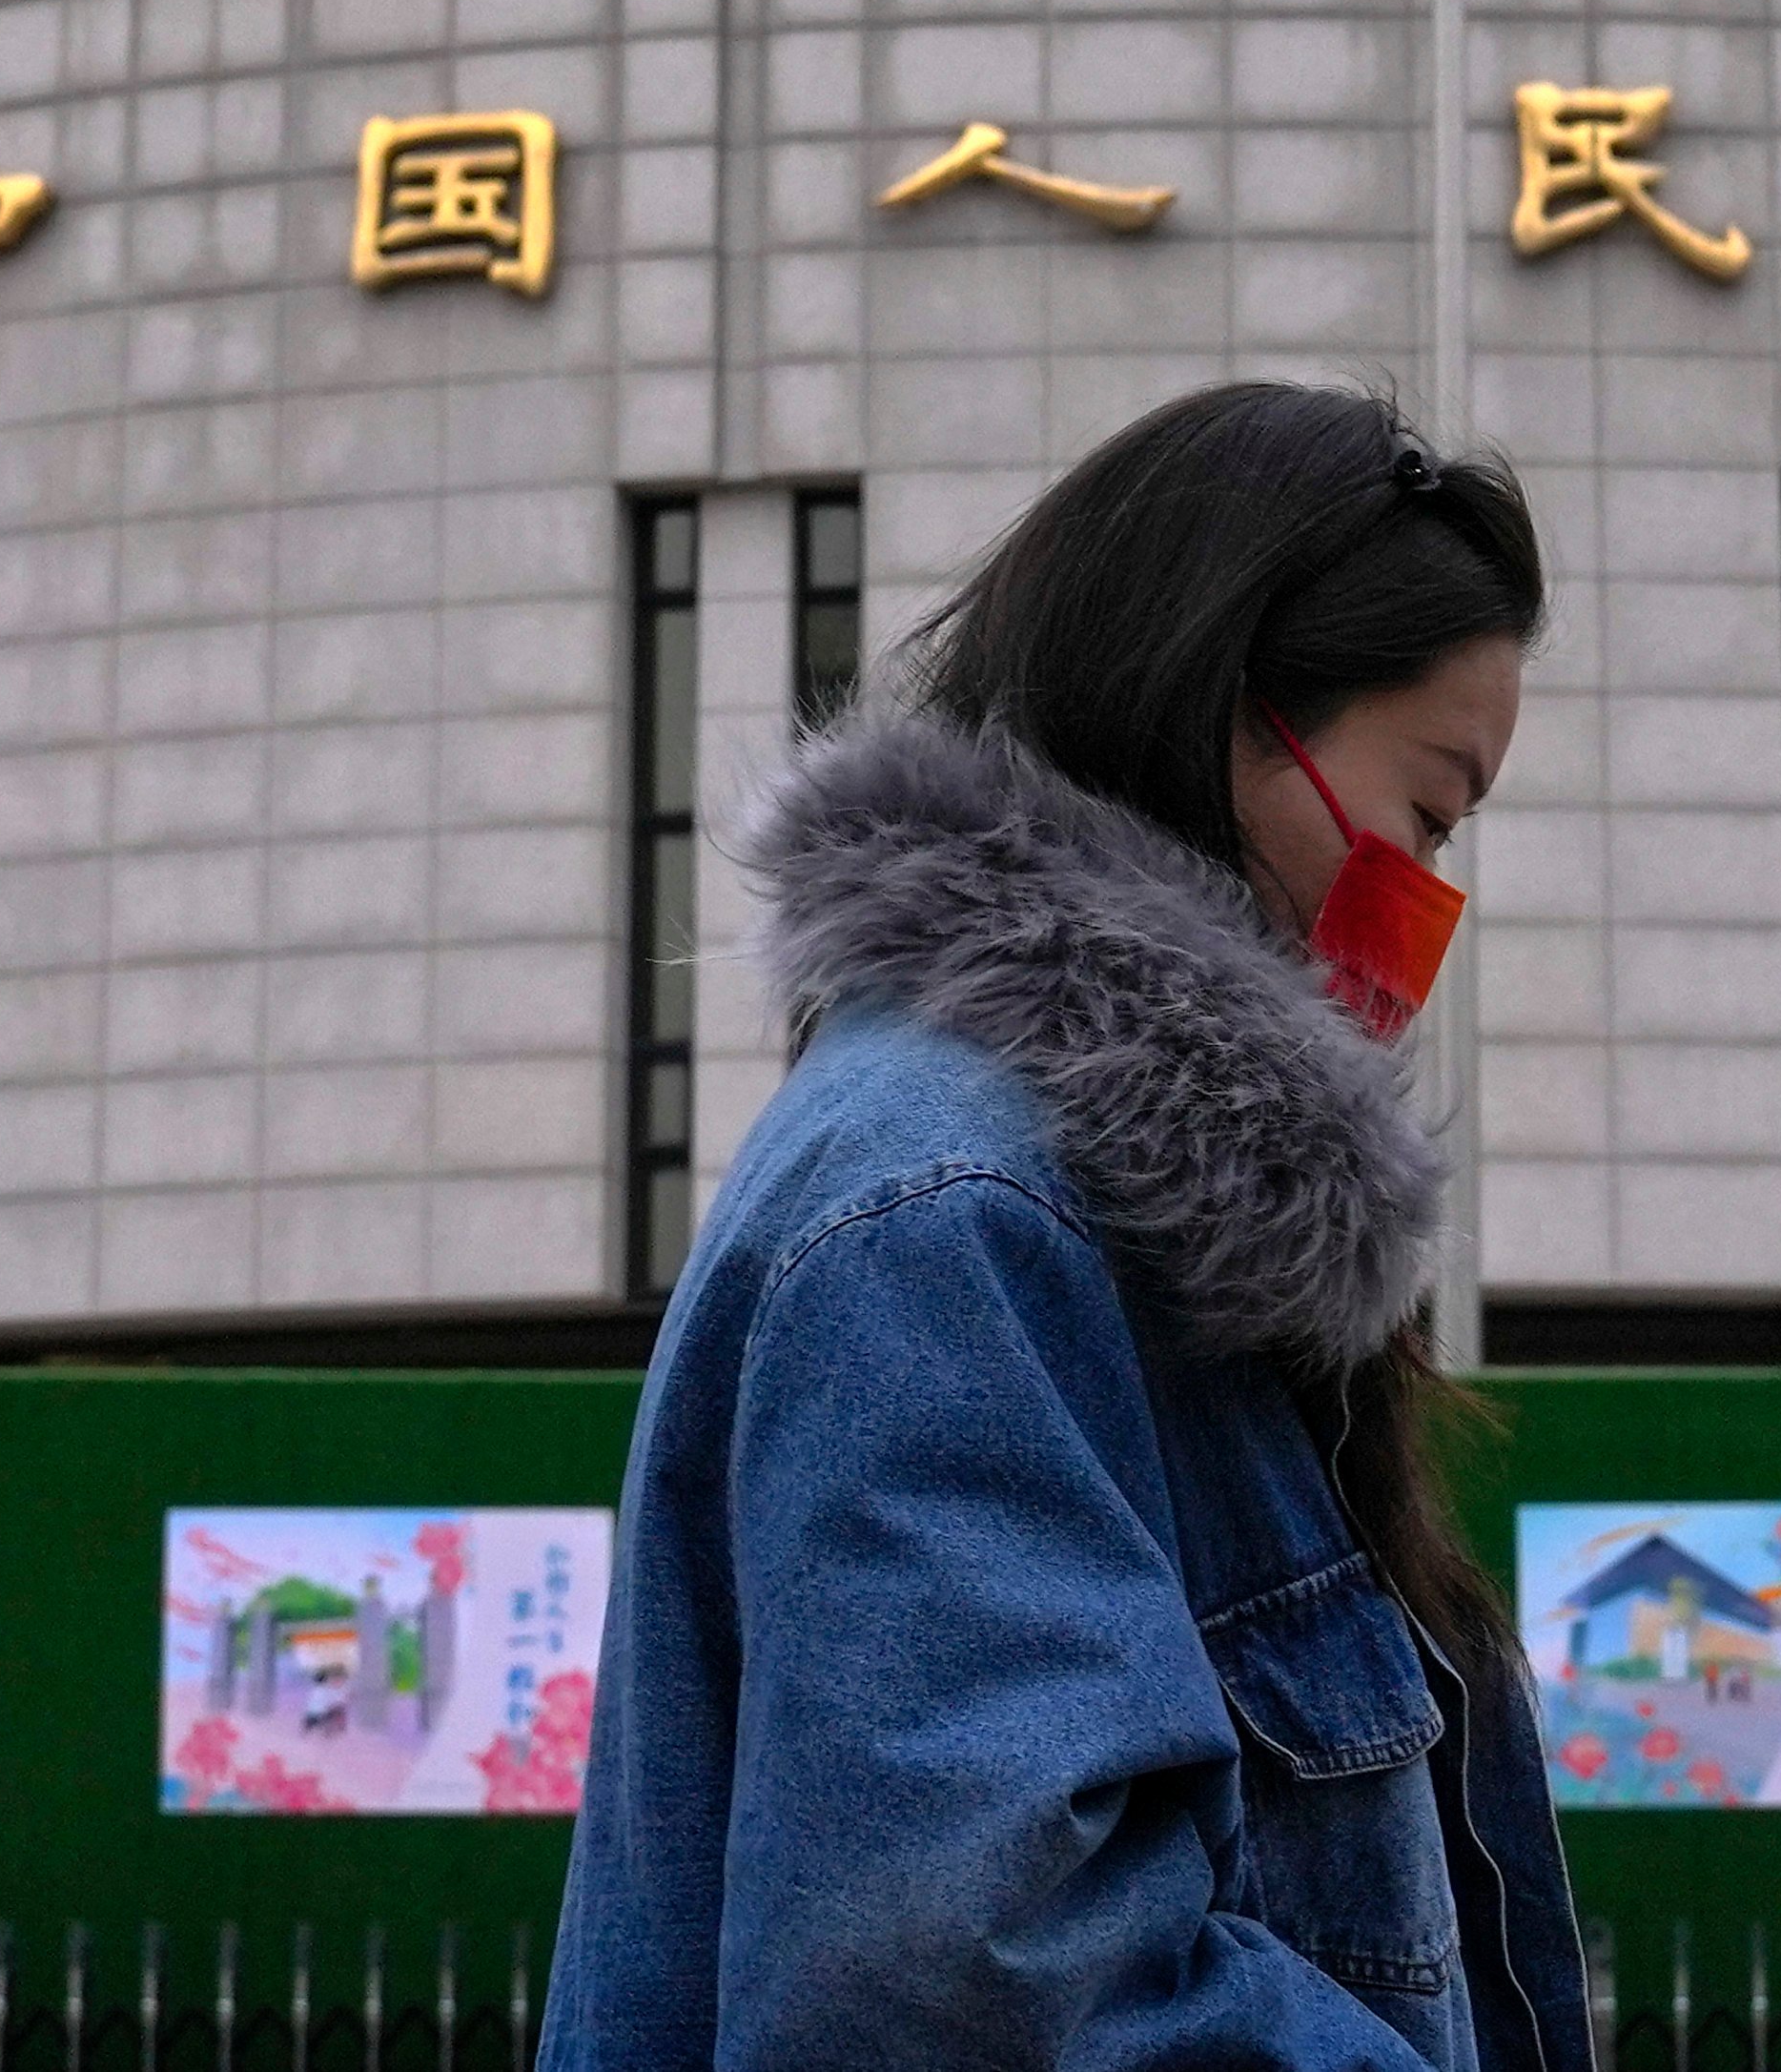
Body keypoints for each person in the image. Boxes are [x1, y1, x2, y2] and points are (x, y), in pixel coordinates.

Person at [546, 382, 1590, 2072]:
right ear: (1235, 714)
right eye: (1428, 813)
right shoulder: (958, 1219)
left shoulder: (1074, 1209)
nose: (1426, 899)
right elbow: (991, 1983)